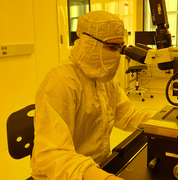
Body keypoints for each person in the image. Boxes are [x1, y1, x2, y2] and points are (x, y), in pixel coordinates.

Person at [30, 10, 155, 180]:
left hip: (97, 167)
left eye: (119, 48)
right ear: (90, 44)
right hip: (63, 174)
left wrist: (164, 122)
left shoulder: (105, 79)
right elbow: (53, 154)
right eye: (111, 47)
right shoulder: (62, 81)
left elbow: (127, 115)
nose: (116, 54)